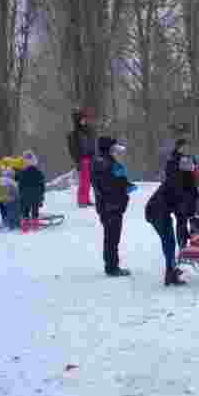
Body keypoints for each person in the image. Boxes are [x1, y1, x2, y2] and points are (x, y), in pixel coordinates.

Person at [145, 153, 199, 286]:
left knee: (168, 241)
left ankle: (171, 269)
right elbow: (181, 210)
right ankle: (170, 274)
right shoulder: (178, 181)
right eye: (186, 166)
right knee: (168, 242)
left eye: (191, 165)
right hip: (156, 212)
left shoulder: (181, 179)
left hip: (161, 211)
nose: (190, 168)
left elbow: (182, 210)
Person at [92, 137, 133, 276]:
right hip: (110, 206)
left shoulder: (104, 162)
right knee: (112, 237)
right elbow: (108, 186)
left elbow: (114, 182)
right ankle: (112, 267)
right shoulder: (104, 163)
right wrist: (122, 187)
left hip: (111, 205)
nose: (116, 151)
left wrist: (125, 185)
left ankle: (112, 265)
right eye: (114, 149)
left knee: (111, 237)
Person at [67, 108, 96, 207]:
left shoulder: (88, 131)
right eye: (82, 119)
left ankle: (86, 199)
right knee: (84, 181)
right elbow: (73, 149)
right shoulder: (74, 134)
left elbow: (92, 144)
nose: (84, 120)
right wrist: (77, 160)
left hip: (90, 158)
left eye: (85, 119)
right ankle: (81, 201)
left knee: (88, 181)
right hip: (82, 159)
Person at [0, 155, 26, 230]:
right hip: (2, 189)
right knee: (9, 205)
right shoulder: (10, 165)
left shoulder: (7, 163)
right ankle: (8, 221)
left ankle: (8, 220)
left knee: (6, 204)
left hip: (2, 188)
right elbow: (3, 179)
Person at [16, 150, 46, 232]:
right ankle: (35, 224)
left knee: (25, 210)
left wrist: (20, 194)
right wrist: (42, 195)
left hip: (25, 196)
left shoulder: (22, 173)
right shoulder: (38, 172)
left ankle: (25, 225)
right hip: (36, 195)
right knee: (35, 210)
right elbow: (42, 184)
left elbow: (20, 185)